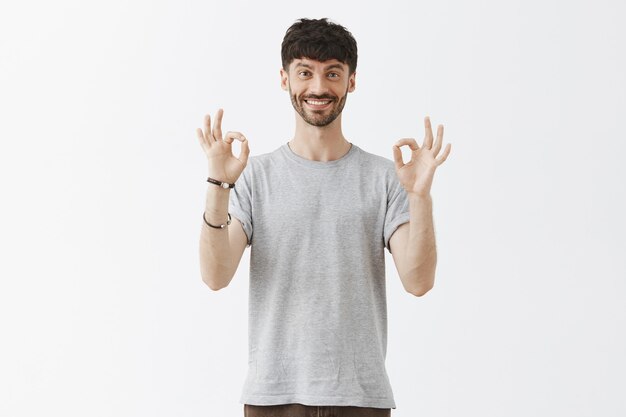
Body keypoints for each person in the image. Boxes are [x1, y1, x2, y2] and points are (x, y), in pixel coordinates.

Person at [196, 17, 450, 417]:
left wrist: (419, 196)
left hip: (360, 398)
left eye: (332, 73)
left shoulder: (386, 177)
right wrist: (218, 184)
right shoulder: (255, 177)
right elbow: (215, 275)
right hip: (273, 397)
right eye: (305, 73)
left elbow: (418, 282)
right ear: (284, 79)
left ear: (351, 81)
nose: (318, 87)